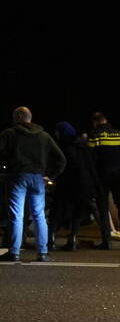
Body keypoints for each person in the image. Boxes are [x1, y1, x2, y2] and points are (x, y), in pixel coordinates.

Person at [0, 107, 65, 262]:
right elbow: (61, 159)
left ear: (17, 118)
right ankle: (42, 252)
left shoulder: (9, 134)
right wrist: (50, 174)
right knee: (39, 215)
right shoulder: (44, 136)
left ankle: (14, 251)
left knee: (17, 214)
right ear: (30, 118)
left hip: (17, 177)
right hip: (37, 178)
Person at [51, 122, 100, 251]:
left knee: (57, 211)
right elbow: (91, 166)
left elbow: (60, 165)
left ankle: (50, 240)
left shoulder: (63, 147)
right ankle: (72, 239)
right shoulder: (83, 147)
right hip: (84, 184)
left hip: (67, 184)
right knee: (77, 213)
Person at [87, 112, 120, 247]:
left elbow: (90, 159)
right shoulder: (119, 134)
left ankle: (107, 239)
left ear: (95, 122)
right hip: (118, 175)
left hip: (101, 176)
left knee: (103, 207)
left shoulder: (95, 135)